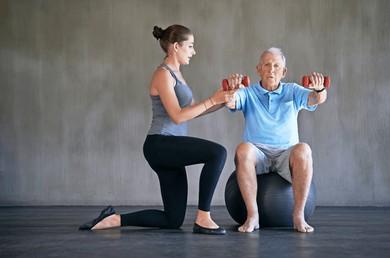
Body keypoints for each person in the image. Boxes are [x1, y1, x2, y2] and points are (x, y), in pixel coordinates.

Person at [79, 24, 236, 235]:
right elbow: (178, 116)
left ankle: (113, 219)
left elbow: (193, 111)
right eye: (190, 46)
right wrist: (212, 100)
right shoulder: (163, 74)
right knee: (218, 153)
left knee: (172, 220)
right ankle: (203, 217)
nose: (194, 51)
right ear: (175, 47)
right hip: (160, 144)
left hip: (169, 147)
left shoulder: (178, 74)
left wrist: (223, 99)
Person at [225, 47, 327, 233]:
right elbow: (231, 102)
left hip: (286, 154)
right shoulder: (247, 92)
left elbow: (315, 99)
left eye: (276, 66)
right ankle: (253, 215)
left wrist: (320, 89)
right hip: (258, 153)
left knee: (303, 149)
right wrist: (231, 91)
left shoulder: (293, 90)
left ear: (283, 71)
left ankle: (298, 216)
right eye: (267, 65)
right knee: (243, 149)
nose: (271, 70)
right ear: (258, 69)